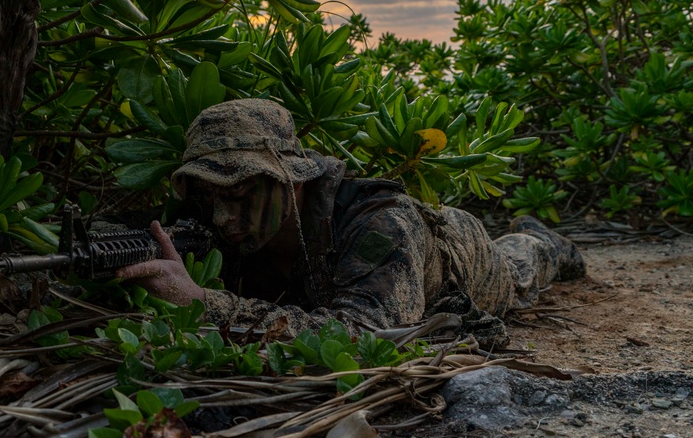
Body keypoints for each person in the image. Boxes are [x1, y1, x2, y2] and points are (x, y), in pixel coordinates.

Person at [116, 99, 586, 348]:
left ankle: (543, 238)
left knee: (522, 266)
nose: (222, 218)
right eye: (208, 195)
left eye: (241, 193)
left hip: (461, 254)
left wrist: (202, 302)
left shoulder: (382, 223)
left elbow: (366, 336)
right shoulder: (219, 219)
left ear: (294, 181)